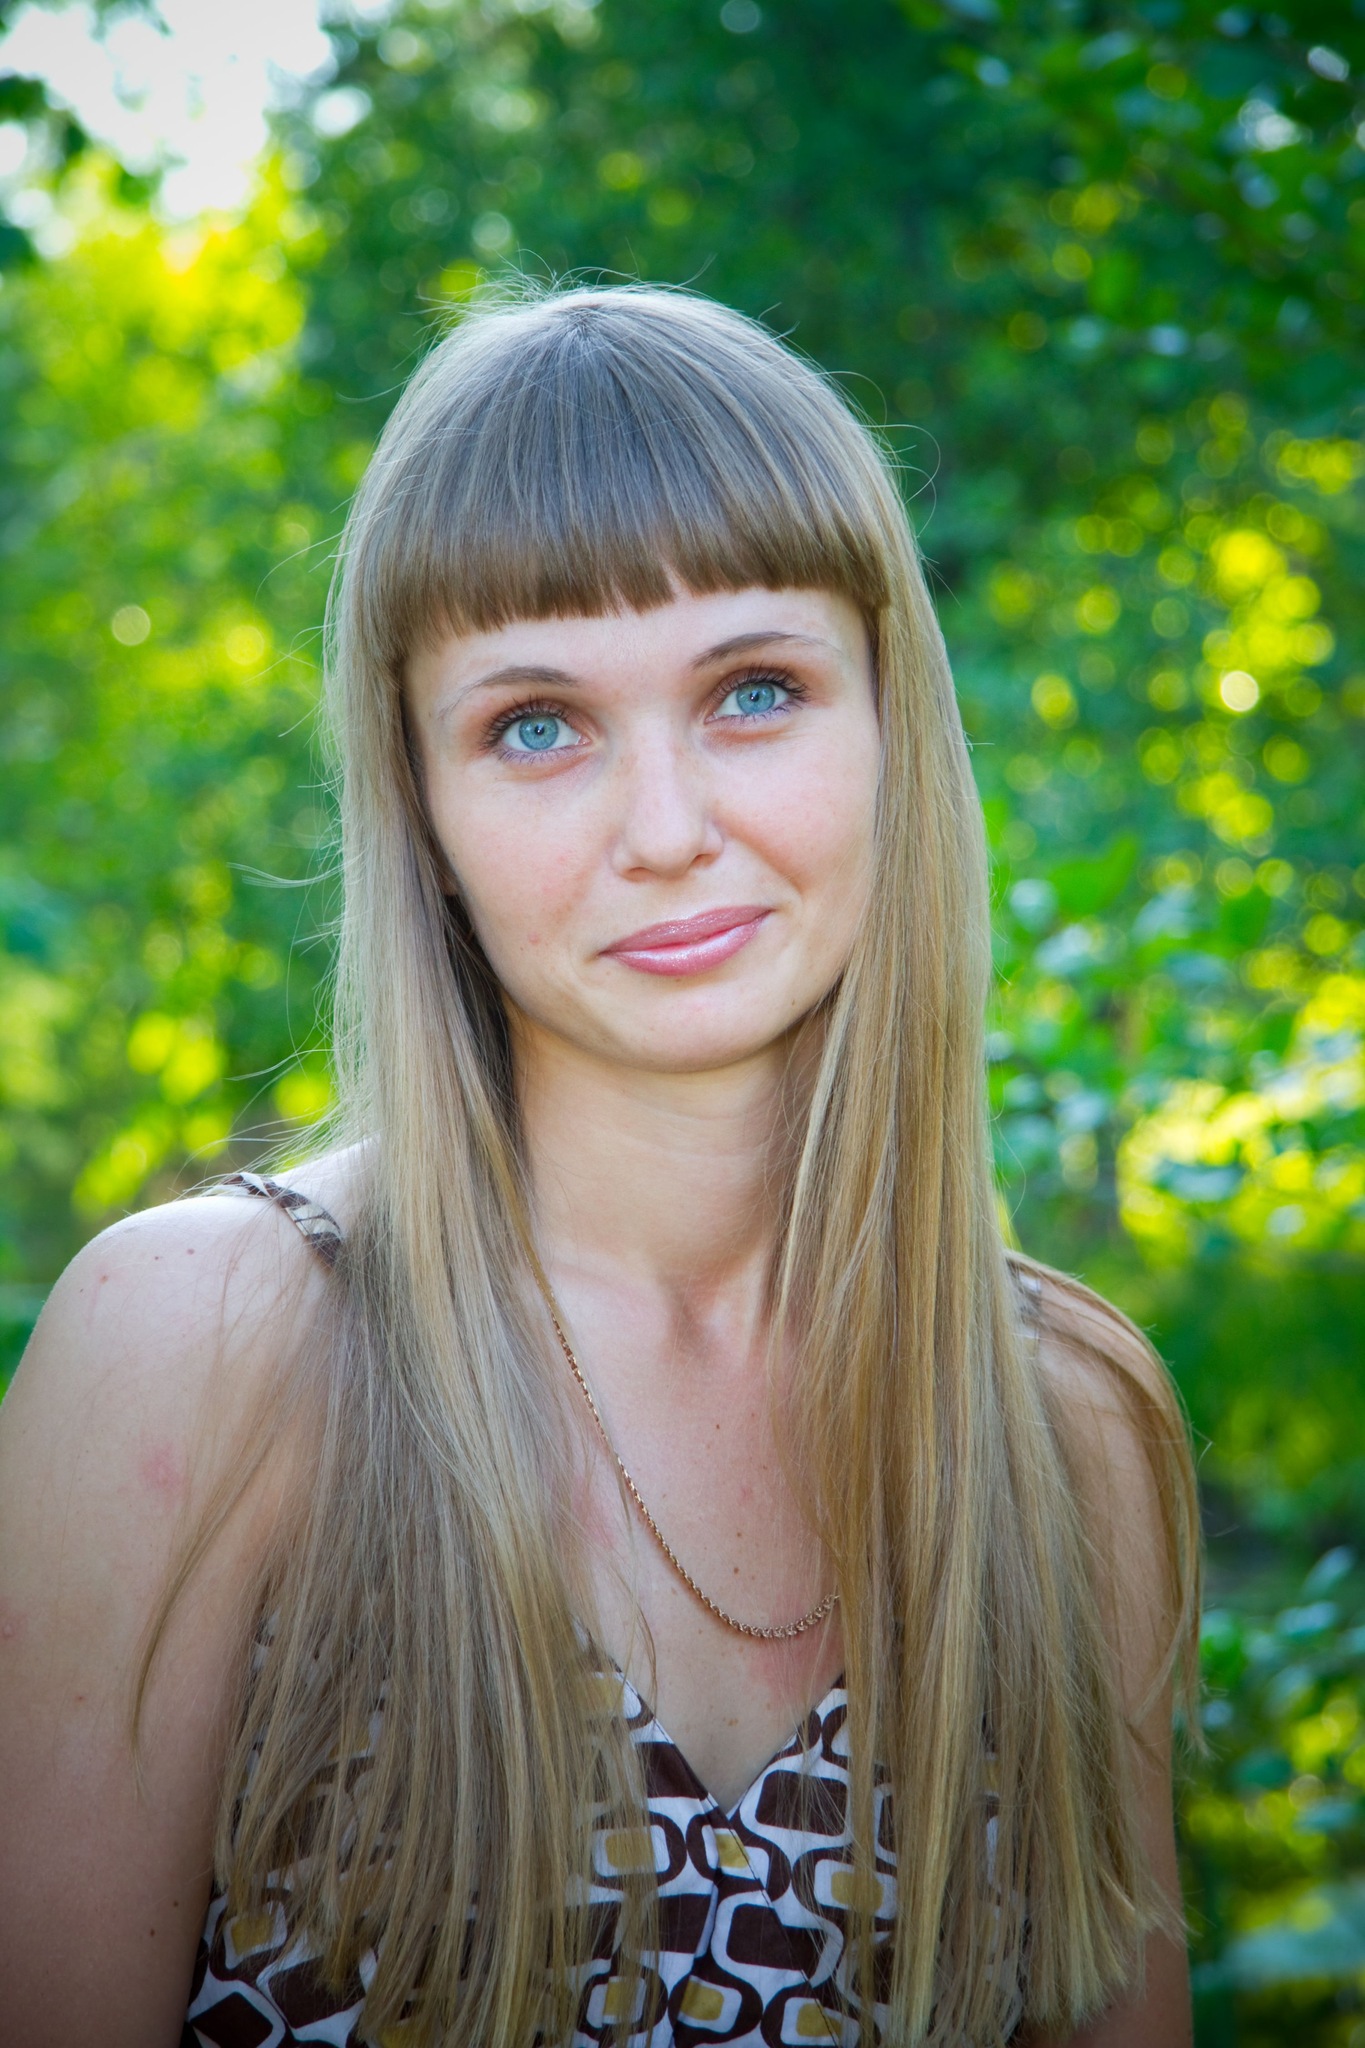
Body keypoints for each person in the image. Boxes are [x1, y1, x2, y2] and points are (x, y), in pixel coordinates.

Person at [0, 285, 1200, 2048]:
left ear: (891, 724)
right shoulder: (203, 1349)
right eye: (537, 725)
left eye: (755, 691)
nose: (665, 831)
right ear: (423, 809)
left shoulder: (1063, 1425)